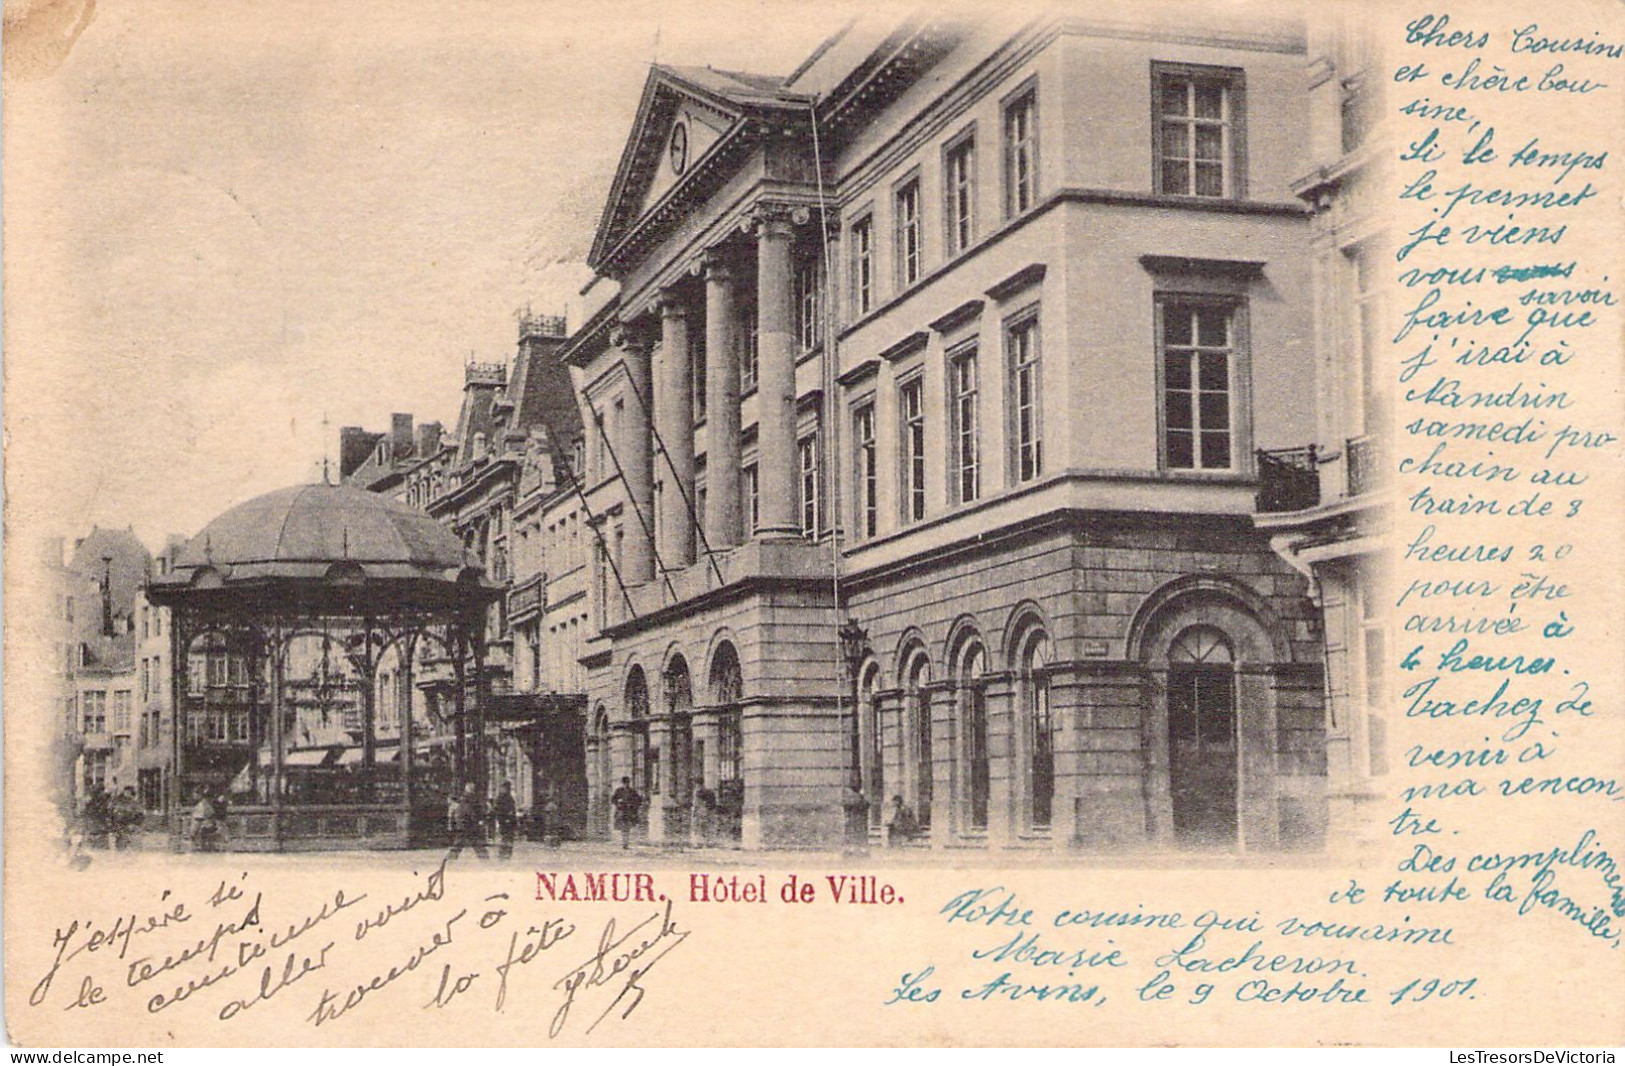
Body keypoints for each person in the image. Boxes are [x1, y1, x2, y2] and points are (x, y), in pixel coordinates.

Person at [448, 781, 489, 860]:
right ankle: (485, 859)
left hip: (462, 824)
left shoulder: (462, 799)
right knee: (477, 843)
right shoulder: (471, 799)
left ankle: (450, 858)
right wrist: (477, 821)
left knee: (459, 844)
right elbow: (470, 811)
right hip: (469, 824)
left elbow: (458, 812)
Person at [611, 776, 642, 850]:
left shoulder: (632, 791)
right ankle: (624, 842)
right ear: (623, 783)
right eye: (625, 783)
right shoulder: (618, 791)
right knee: (623, 827)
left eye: (627, 783)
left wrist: (632, 805)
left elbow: (638, 800)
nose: (626, 784)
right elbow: (613, 799)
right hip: (621, 811)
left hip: (629, 811)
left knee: (627, 827)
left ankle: (626, 842)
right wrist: (618, 802)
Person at [491, 780, 518, 860]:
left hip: (507, 820)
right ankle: (504, 854)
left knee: (508, 837)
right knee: (506, 837)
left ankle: (505, 853)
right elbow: (498, 809)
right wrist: (505, 817)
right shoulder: (502, 798)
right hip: (505, 820)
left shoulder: (507, 797)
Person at [110, 786, 143, 851]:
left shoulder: (135, 804)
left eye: (128, 792)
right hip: (120, 825)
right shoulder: (119, 802)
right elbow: (113, 814)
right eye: (126, 792)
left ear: (132, 793)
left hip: (131, 825)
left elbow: (140, 815)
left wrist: (135, 824)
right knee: (120, 842)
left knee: (132, 845)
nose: (127, 794)